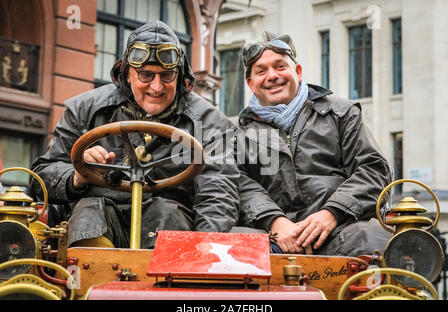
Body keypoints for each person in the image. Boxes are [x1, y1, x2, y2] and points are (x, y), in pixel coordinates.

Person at [29, 21, 240, 249]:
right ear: (127, 74)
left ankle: (166, 280)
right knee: (90, 210)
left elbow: (218, 191)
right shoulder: (84, 109)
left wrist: (203, 249)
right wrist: (79, 176)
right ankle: (85, 278)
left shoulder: (208, 121)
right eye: (146, 75)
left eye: (167, 76)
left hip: (171, 230)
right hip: (98, 222)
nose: (157, 87)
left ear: (180, 76)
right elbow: (40, 178)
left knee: (165, 211)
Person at [236, 31, 393, 256]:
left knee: (373, 237)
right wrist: (274, 221)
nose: (272, 76)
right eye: (261, 71)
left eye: (280, 66)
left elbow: (374, 170)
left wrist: (332, 213)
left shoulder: (342, 114)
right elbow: (238, 184)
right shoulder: (237, 137)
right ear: (251, 84)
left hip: (340, 232)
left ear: (297, 72)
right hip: (272, 241)